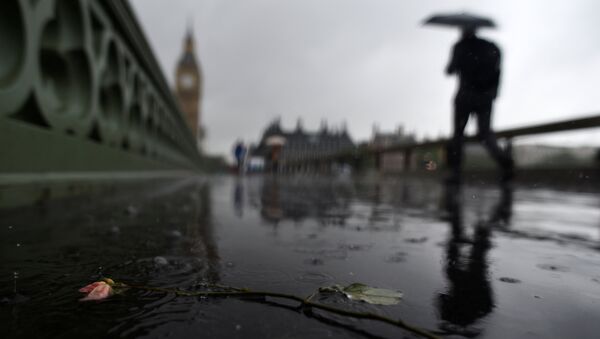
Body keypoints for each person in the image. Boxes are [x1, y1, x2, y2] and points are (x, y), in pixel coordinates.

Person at [446, 27, 513, 183]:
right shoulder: (491, 47)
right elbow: (498, 72)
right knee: (485, 133)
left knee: (458, 134)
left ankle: (455, 173)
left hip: (465, 96)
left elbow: (450, 70)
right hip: (485, 97)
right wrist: (493, 93)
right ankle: (504, 160)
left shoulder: (460, 47)